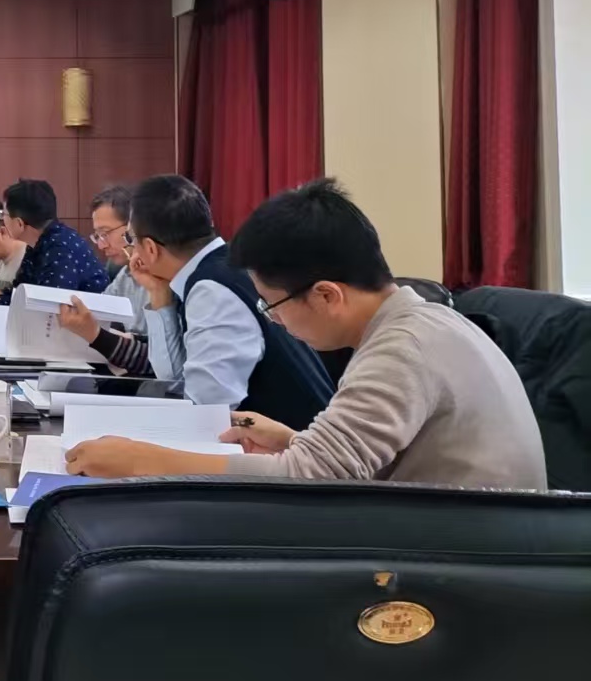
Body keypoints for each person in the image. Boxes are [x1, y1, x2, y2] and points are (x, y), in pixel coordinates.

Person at [67, 179, 547, 491]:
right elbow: (349, 464)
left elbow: (306, 478)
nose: (273, 322)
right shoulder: (423, 323)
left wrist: (143, 460)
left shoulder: (403, 349)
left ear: (326, 295)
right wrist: (293, 439)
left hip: (466, 555)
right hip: (457, 532)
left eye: (272, 307)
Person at [119, 173, 332, 429]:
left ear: (151, 249)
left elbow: (205, 411)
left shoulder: (213, 292)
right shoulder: (228, 264)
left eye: (130, 240)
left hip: (293, 447)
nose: (132, 251)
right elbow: (174, 380)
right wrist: (158, 294)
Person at [57, 184, 151, 376]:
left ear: (132, 229)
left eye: (106, 234)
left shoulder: (163, 277)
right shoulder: (124, 275)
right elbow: (101, 316)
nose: (101, 245)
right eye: (98, 236)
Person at [0, 178, 109, 299]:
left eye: (3, 214)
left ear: (19, 223)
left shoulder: (60, 249)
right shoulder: (37, 244)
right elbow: (20, 292)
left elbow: (50, 304)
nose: (2, 220)